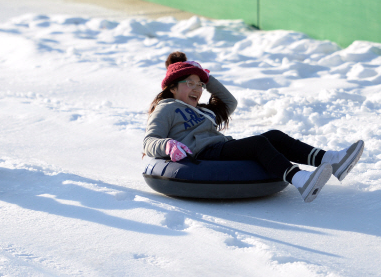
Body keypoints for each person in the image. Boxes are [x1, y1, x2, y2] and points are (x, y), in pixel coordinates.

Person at [143, 51, 364, 203]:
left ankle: (332, 160)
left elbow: (229, 102)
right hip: (202, 155)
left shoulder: (205, 112)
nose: (197, 89)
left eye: (199, 85)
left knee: (274, 136)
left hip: (220, 148)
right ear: (172, 88)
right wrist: (167, 145)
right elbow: (149, 140)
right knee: (258, 143)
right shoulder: (166, 108)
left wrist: (207, 77)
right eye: (189, 83)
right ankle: (301, 180)